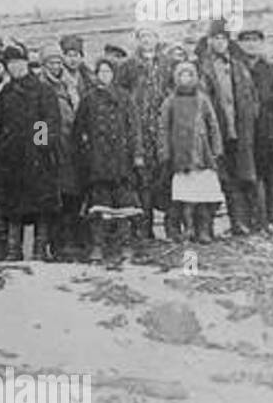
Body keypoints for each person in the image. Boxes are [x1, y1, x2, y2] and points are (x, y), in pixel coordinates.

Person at [0, 43, 60, 261]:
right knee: (13, 205)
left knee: (41, 205)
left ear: (26, 64)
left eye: (18, 63)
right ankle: (14, 249)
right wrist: (3, 147)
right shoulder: (6, 93)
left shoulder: (42, 90)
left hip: (37, 159)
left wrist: (39, 147)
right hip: (11, 160)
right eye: (10, 64)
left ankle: (39, 248)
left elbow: (49, 120)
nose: (14, 68)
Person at [74, 57, 142, 262]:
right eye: (101, 72)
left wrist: (137, 154)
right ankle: (98, 246)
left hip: (122, 159)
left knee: (124, 204)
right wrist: (85, 151)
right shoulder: (88, 99)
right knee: (99, 204)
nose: (104, 75)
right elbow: (79, 129)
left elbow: (134, 128)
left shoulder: (125, 97)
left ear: (114, 74)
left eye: (108, 71)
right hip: (98, 161)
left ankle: (125, 245)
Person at [197, 20, 258, 236]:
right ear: (209, 41)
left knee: (239, 177)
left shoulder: (239, 66)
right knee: (212, 178)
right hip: (215, 132)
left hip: (239, 131)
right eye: (215, 38)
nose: (220, 42)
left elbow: (252, 98)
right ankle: (206, 228)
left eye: (223, 38)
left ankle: (239, 222)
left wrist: (248, 123)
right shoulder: (201, 66)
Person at [159, 61, 223, 244]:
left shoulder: (202, 99)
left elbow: (213, 125)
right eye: (181, 76)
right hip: (180, 157)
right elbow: (163, 128)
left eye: (189, 75)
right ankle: (183, 229)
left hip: (201, 155)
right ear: (176, 78)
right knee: (182, 197)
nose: (185, 79)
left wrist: (216, 148)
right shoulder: (170, 101)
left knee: (202, 196)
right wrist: (164, 151)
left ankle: (203, 230)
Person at [116, 27, 171, 240]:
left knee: (165, 176)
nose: (147, 40)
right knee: (142, 179)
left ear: (157, 38)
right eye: (143, 37)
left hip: (162, 127)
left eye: (151, 35)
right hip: (138, 129)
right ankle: (144, 229)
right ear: (137, 40)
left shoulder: (167, 64)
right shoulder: (128, 66)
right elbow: (121, 95)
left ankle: (171, 227)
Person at [237, 29, 273, 238]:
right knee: (247, 179)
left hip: (270, 135)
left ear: (262, 43)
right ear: (240, 44)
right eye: (246, 41)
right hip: (244, 134)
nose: (251, 45)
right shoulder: (235, 69)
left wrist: (267, 100)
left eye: (255, 41)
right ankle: (252, 222)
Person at [39, 41, 84, 259]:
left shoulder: (69, 85)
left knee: (72, 194)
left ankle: (71, 241)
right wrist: (42, 146)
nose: (55, 65)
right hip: (51, 148)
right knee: (53, 196)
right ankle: (54, 244)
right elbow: (37, 120)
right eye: (51, 61)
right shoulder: (40, 87)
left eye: (58, 61)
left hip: (71, 146)